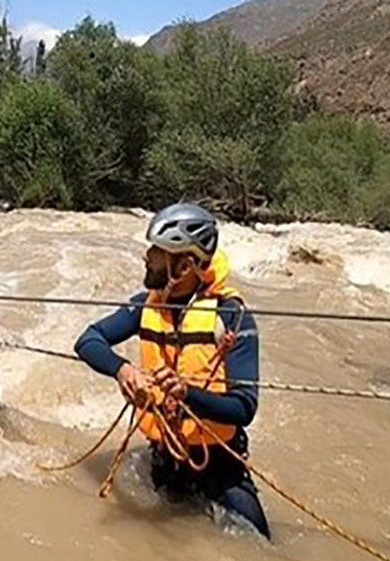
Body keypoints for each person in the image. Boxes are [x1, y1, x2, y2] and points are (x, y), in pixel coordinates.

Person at [73, 203, 269, 538]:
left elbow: (244, 407)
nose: (146, 257)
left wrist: (186, 392)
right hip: (166, 461)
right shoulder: (145, 305)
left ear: (185, 264)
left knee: (258, 544)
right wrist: (123, 370)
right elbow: (88, 340)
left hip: (220, 465)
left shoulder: (232, 317)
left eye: (157, 251)